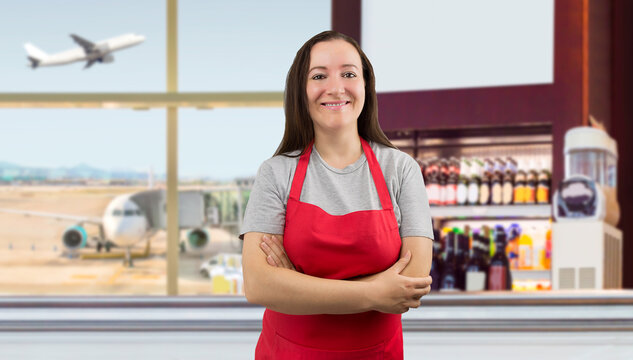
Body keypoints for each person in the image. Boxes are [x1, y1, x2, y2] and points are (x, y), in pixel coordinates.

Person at [240, 30, 434, 359]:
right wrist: (375, 292)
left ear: (365, 86)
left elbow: (410, 284)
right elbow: (258, 285)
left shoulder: (400, 170)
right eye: (319, 76)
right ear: (301, 91)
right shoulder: (275, 173)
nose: (336, 87)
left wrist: (297, 283)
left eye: (348, 73)